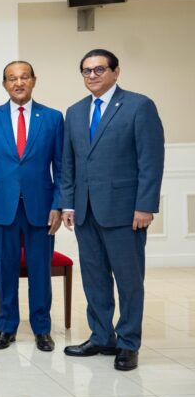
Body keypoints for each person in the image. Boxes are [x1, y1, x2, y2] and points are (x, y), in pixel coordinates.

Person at [61, 49, 164, 371]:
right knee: (94, 279)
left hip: (125, 212)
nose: (92, 76)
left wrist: (145, 206)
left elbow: (151, 160)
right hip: (85, 211)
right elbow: (69, 162)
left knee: (129, 281)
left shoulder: (139, 106)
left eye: (99, 69)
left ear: (116, 72)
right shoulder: (75, 112)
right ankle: (101, 336)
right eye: (86, 71)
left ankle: (128, 343)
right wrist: (68, 203)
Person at [0, 61, 63, 352]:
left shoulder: (52, 118)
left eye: (24, 77)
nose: (18, 83)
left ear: (34, 80)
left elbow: (62, 167)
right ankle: (7, 327)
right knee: (5, 269)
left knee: (40, 271)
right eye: (12, 79)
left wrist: (58, 204)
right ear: (4, 84)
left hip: (41, 207)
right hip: (1, 207)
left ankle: (42, 329)